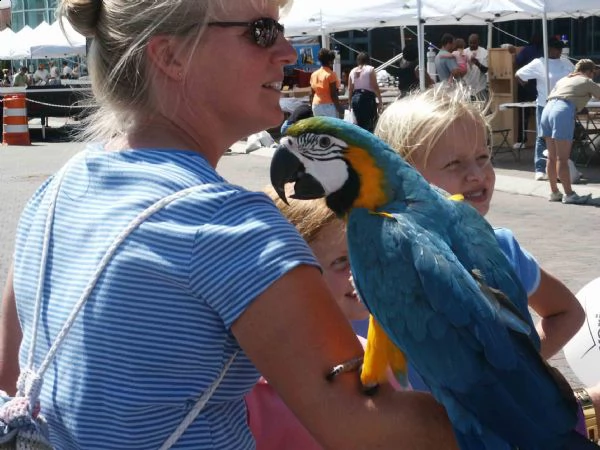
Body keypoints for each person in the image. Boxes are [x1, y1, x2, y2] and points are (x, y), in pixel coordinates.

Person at [0, 0, 459, 448]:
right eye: (262, 30)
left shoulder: (57, 189)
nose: (287, 51)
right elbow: (362, 426)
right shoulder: (227, 225)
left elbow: (10, 373)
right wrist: (517, 413)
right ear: (172, 56)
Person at [375, 85, 587, 403]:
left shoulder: (501, 249)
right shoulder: (375, 261)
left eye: (483, 157)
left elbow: (567, 312)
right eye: (454, 164)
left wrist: (516, 369)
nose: (478, 174)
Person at [246, 186, 370, 450]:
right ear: (286, 273)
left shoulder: (370, 355)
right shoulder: (249, 387)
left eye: (365, 255)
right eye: (340, 262)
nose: (361, 273)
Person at [540, 59, 600, 205]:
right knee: (562, 158)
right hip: (563, 111)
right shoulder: (587, 81)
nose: (594, 76)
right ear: (589, 71)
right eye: (593, 72)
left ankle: (554, 192)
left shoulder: (563, 80)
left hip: (547, 110)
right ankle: (569, 194)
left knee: (552, 157)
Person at [516, 37, 574, 181]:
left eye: (560, 48)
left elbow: (574, 76)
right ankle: (540, 168)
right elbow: (519, 74)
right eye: (556, 48)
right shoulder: (539, 63)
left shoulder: (566, 62)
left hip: (563, 104)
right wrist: (529, 88)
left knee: (561, 137)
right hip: (545, 104)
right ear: (548, 49)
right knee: (543, 136)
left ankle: (562, 168)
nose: (559, 51)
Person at [514, 33, 543, 148]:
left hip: (525, 85)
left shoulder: (526, 50)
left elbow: (517, 61)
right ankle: (540, 139)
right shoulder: (543, 52)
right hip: (539, 86)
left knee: (523, 114)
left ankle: (521, 140)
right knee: (540, 113)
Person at [347, 52, 383, 132]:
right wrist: (380, 101)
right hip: (367, 98)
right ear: (368, 60)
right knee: (370, 123)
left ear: (358, 61)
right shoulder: (370, 69)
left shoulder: (352, 71)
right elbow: (375, 86)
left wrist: (349, 103)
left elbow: (350, 88)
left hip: (355, 98)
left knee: (358, 124)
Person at [309, 48, 344, 118]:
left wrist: (311, 105)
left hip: (316, 105)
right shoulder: (331, 74)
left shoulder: (314, 74)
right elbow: (333, 94)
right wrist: (339, 108)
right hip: (328, 106)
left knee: (320, 128)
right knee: (331, 128)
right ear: (330, 61)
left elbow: (312, 93)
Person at [463, 33, 489, 101]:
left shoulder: (484, 52)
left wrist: (477, 63)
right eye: (470, 43)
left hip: (480, 88)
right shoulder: (464, 52)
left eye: (474, 43)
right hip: (467, 88)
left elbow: (486, 70)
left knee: (482, 110)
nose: (472, 45)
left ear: (478, 42)